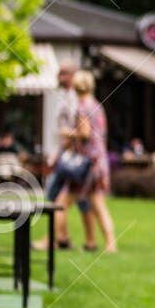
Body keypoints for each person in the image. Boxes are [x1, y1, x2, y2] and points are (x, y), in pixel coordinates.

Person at [32, 65, 82, 252]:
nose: (58, 76)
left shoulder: (76, 99)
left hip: (70, 155)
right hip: (62, 153)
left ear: (73, 75)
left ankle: (52, 239)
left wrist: (62, 150)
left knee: (57, 197)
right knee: (66, 198)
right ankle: (63, 238)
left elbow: (77, 129)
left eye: (62, 73)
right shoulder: (65, 96)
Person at [67, 69, 118, 254]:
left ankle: (58, 238)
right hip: (99, 160)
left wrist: (68, 133)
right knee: (95, 203)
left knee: (92, 203)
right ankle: (97, 242)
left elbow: (85, 134)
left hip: (88, 163)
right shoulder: (97, 105)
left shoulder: (82, 107)